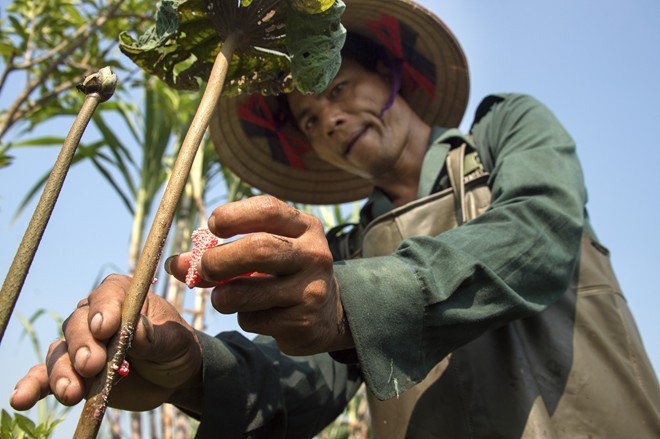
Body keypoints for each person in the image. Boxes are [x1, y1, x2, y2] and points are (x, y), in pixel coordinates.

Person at [10, 0, 660, 437]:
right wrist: (190, 366)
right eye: (311, 123)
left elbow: (538, 233)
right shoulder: (348, 251)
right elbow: (300, 380)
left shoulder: (503, 132)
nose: (331, 121)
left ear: (394, 75)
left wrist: (351, 303)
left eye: (339, 90)